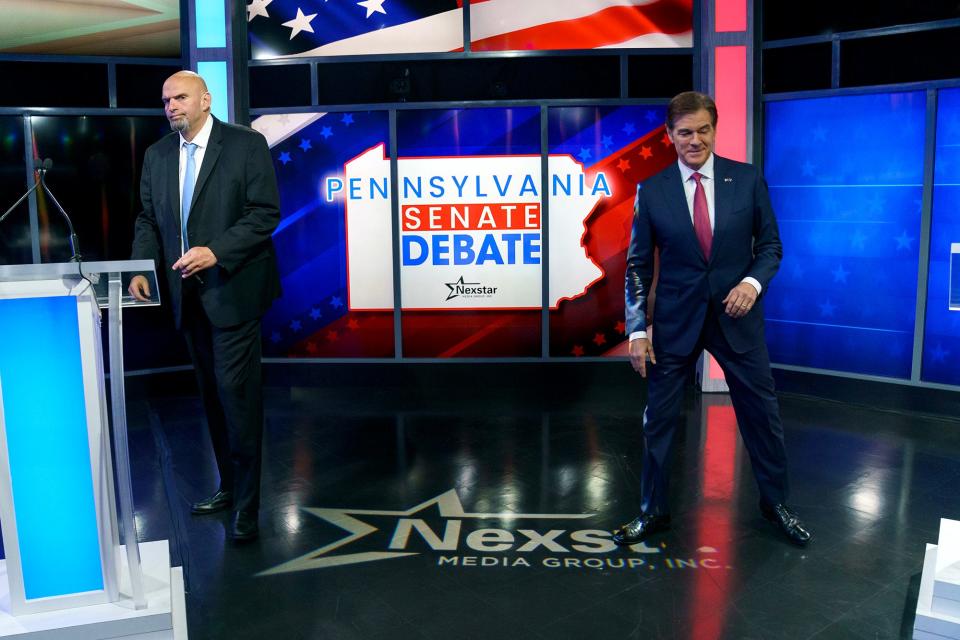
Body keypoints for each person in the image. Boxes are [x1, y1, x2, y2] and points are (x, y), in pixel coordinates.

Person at [614, 91, 811, 547]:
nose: (695, 140)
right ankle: (653, 511)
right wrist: (638, 329)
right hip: (675, 324)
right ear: (669, 136)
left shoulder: (746, 180)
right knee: (658, 420)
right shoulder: (653, 190)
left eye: (704, 129)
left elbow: (770, 247)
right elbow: (638, 266)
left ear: (714, 129)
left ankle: (775, 503)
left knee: (762, 415)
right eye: (685, 132)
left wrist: (752, 283)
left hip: (736, 318)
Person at [129, 70, 281, 542]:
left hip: (233, 291)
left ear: (205, 99)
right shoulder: (157, 155)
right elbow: (148, 218)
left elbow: (264, 213)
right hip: (186, 298)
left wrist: (216, 250)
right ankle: (229, 487)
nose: (171, 105)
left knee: (237, 396)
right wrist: (140, 268)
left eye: (180, 97)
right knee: (213, 400)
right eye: (166, 99)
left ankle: (249, 507)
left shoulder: (245, 144)